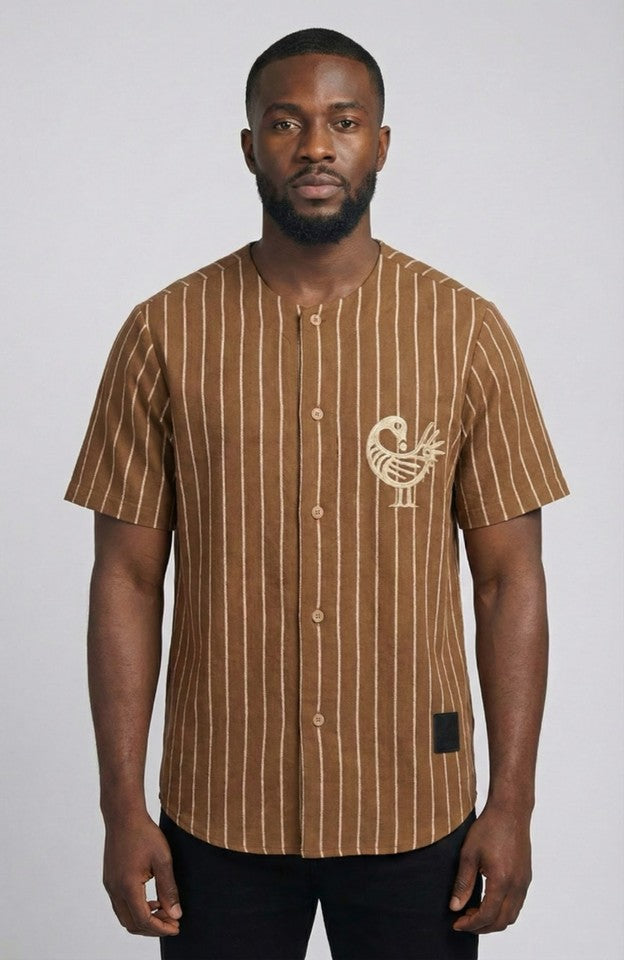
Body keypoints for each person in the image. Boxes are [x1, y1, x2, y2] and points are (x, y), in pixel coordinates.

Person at [64, 27, 569, 960]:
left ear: (381, 143)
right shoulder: (164, 333)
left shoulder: (465, 333)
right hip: (220, 813)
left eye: (344, 121)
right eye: (285, 122)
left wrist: (513, 803)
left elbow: (509, 581)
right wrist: (121, 806)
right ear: (249, 145)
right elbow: (126, 579)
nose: (315, 147)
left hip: (417, 810)